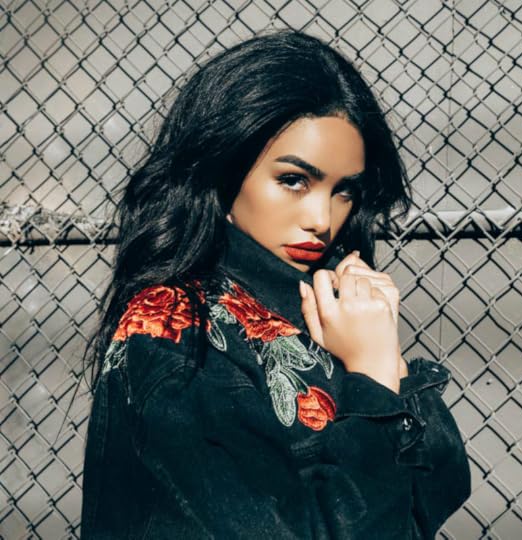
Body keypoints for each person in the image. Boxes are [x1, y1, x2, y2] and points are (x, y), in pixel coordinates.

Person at [80, 28, 471, 539]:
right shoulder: (176, 333)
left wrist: (384, 359)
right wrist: (374, 382)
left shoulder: (324, 309)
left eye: (344, 190)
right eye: (293, 180)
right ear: (222, 171)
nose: (321, 219)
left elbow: (436, 491)